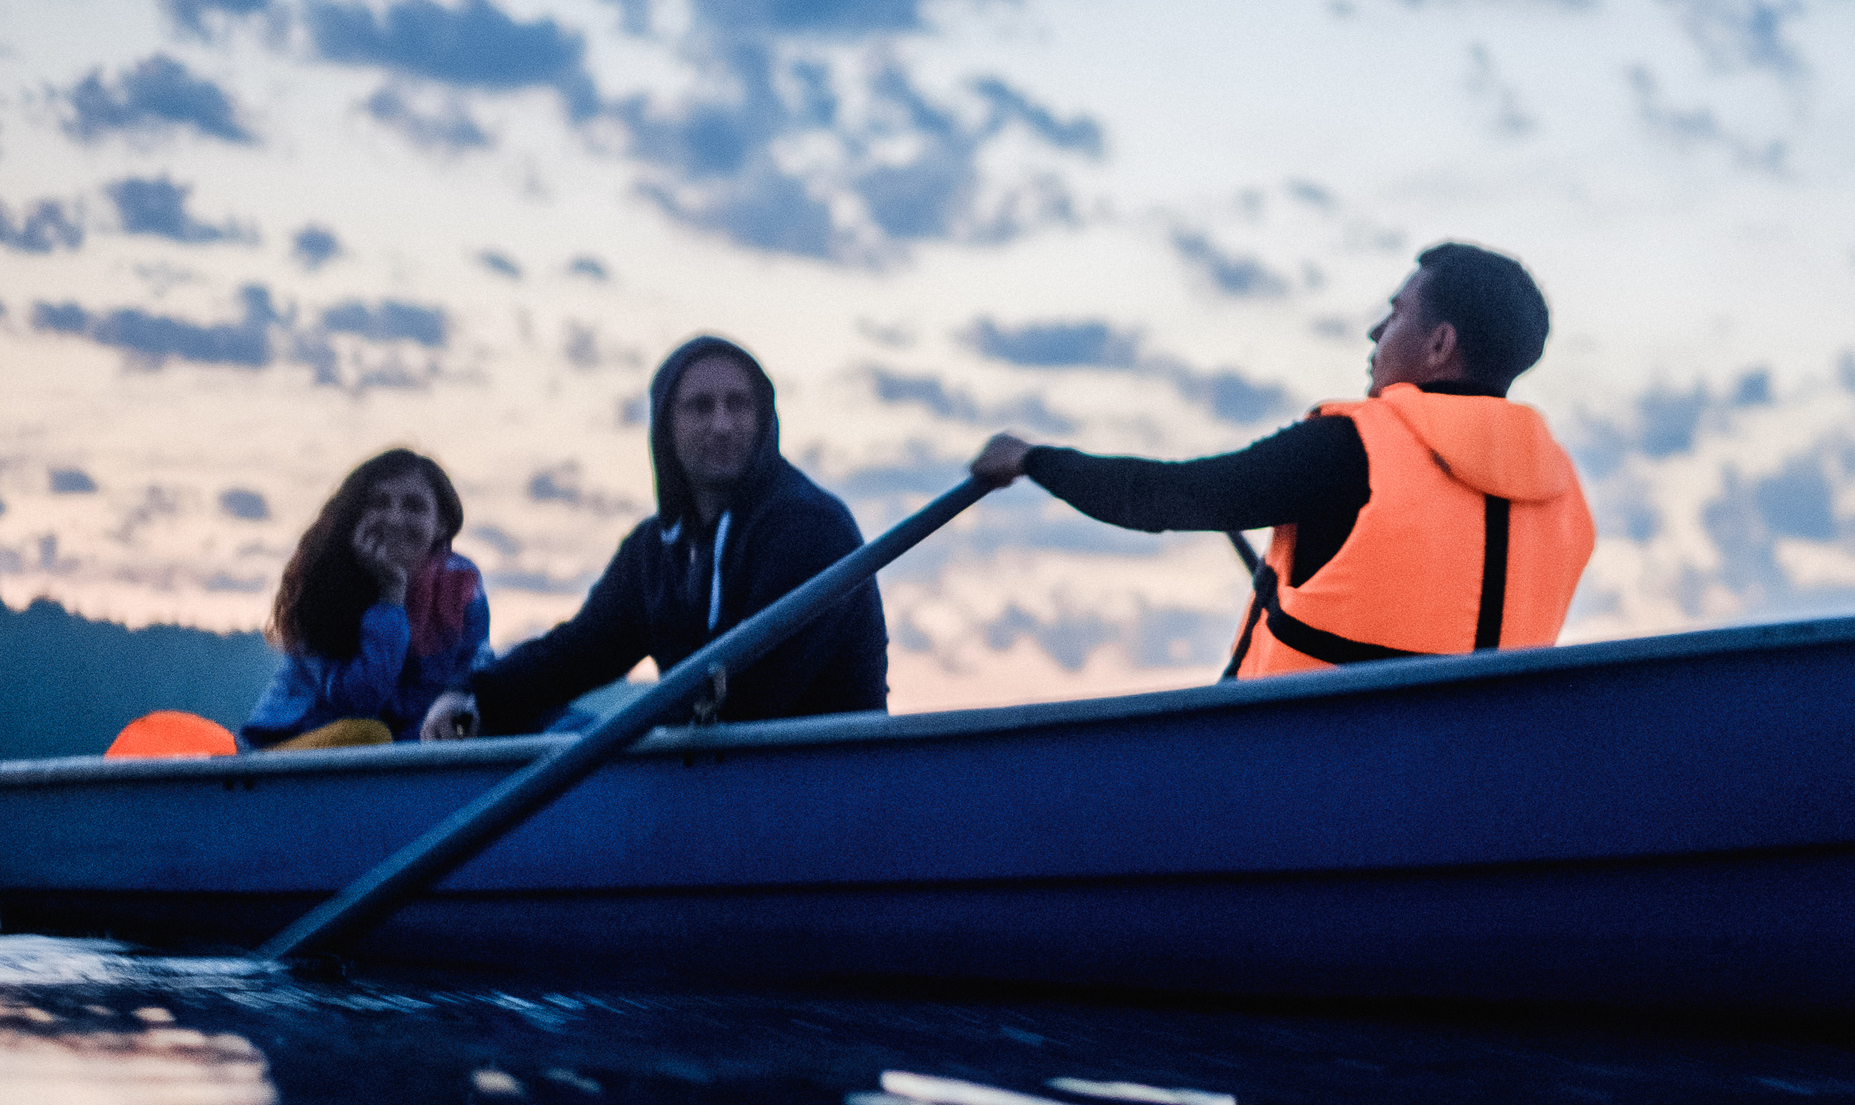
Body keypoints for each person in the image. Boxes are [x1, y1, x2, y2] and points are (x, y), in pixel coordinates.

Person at [967, 241, 1594, 679]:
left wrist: (1032, 459)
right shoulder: (1563, 491)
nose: (1375, 332)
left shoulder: (1352, 448)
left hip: (1306, 776)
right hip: (1479, 787)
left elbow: (1161, 496)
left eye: (1396, 313)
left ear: (1439, 344)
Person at [422, 337, 888, 740]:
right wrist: (473, 695)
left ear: (764, 418)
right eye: (700, 407)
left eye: (739, 404)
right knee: (544, 725)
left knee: (575, 736)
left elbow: (753, 693)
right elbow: (580, 652)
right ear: (666, 426)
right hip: (707, 780)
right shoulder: (655, 551)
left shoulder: (810, 526)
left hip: (822, 777)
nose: (722, 425)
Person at [241, 448, 490, 749]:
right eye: (379, 503)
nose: (395, 519)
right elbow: (359, 701)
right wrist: (390, 599)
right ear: (354, 516)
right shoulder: (324, 579)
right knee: (368, 733)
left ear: (442, 524)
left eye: (414, 506)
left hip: (398, 752)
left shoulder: (461, 586)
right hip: (299, 745)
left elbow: (470, 680)